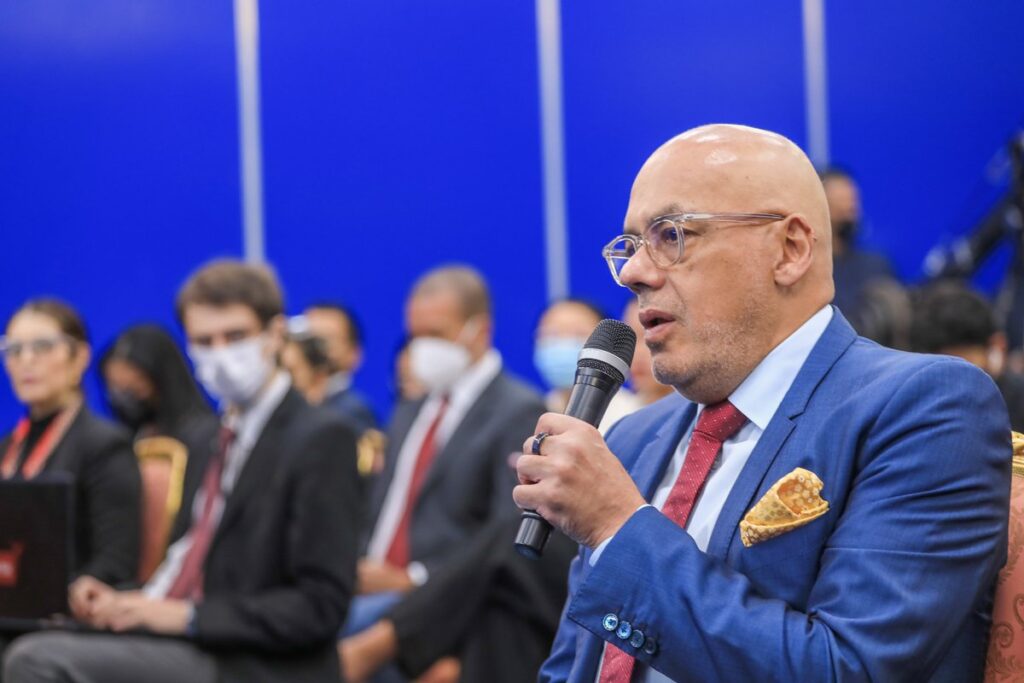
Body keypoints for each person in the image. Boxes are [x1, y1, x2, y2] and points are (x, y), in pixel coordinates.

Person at [515, 124, 1011, 682]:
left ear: (790, 249)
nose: (633, 273)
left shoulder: (924, 409)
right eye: (628, 246)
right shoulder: (632, 441)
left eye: (671, 235)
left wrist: (616, 527)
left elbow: (846, 669)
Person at [3, 260, 362, 683]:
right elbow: (185, 559)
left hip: (255, 661)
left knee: (35, 660)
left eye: (236, 336)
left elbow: (319, 607)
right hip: (185, 637)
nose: (221, 353)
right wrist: (124, 600)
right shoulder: (209, 437)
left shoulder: (321, 436)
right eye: (204, 341)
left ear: (275, 335)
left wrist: (185, 616)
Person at [341, 298, 654, 683]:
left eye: (572, 336)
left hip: (600, 566)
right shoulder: (545, 410)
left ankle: (386, 641)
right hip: (528, 582)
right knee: (506, 591)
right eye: (549, 335)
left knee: (512, 534)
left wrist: (414, 582)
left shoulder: (623, 419)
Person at [353, 265, 545, 633]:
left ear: (480, 331)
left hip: (437, 602)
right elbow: (382, 504)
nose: (422, 349)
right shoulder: (411, 407)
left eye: (436, 335)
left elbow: (506, 533)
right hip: (366, 588)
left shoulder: (519, 411)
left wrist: (414, 579)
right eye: (415, 336)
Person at [1, 299, 141, 586]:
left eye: (43, 347)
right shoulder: (7, 447)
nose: (26, 360)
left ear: (79, 357)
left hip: (62, 612)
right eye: (14, 349)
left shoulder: (104, 445)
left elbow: (116, 562)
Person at [910, 281, 1024, 431]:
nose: (960, 388)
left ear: (998, 345)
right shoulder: (915, 406)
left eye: (968, 371)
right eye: (946, 375)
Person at [535, 299, 643, 432]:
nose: (563, 344)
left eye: (578, 334)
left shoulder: (632, 416)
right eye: (551, 334)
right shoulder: (535, 410)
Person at [100, 323, 216, 443]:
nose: (127, 397)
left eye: (136, 385)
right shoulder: (129, 440)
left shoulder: (205, 435)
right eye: (116, 387)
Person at [821, 167, 900, 336]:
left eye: (853, 203)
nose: (850, 211)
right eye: (841, 202)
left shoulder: (876, 265)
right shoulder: (810, 272)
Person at [304, 302, 377, 433]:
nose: (315, 350)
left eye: (326, 340)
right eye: (309, 339)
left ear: (354, 353)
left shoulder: (353, 413)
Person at [621, 300, 673, 406]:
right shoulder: (615, 416)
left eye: (649, 335)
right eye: (629, 339)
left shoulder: (700, 417)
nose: (637, 352)